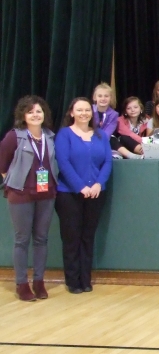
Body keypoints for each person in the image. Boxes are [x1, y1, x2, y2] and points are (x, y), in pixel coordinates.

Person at [0, 96, 59, 301]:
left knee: (41, 239)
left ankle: (39, 281)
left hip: (46, 194)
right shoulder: (14, 136)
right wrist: (15, 181)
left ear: (44, 114)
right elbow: (3, 164)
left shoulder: (49, 136)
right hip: (21, 194)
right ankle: (21, 284)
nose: (35, 115)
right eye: (30, 111)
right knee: (22, 240)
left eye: (39, 111)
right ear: (23, 115)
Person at [54, 97, 112, 294]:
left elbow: (107, 162)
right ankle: (73, 281)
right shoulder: (64, 135)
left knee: (88, 237)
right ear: (72, 113)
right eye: (79, 110)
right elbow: (63, 163)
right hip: (69, 194)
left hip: (96, 194)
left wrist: (98, 184)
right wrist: (80, 186)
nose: (84, 113)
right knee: (71, 238)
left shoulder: (101, 135)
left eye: (87, 110)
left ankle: (86, 279)